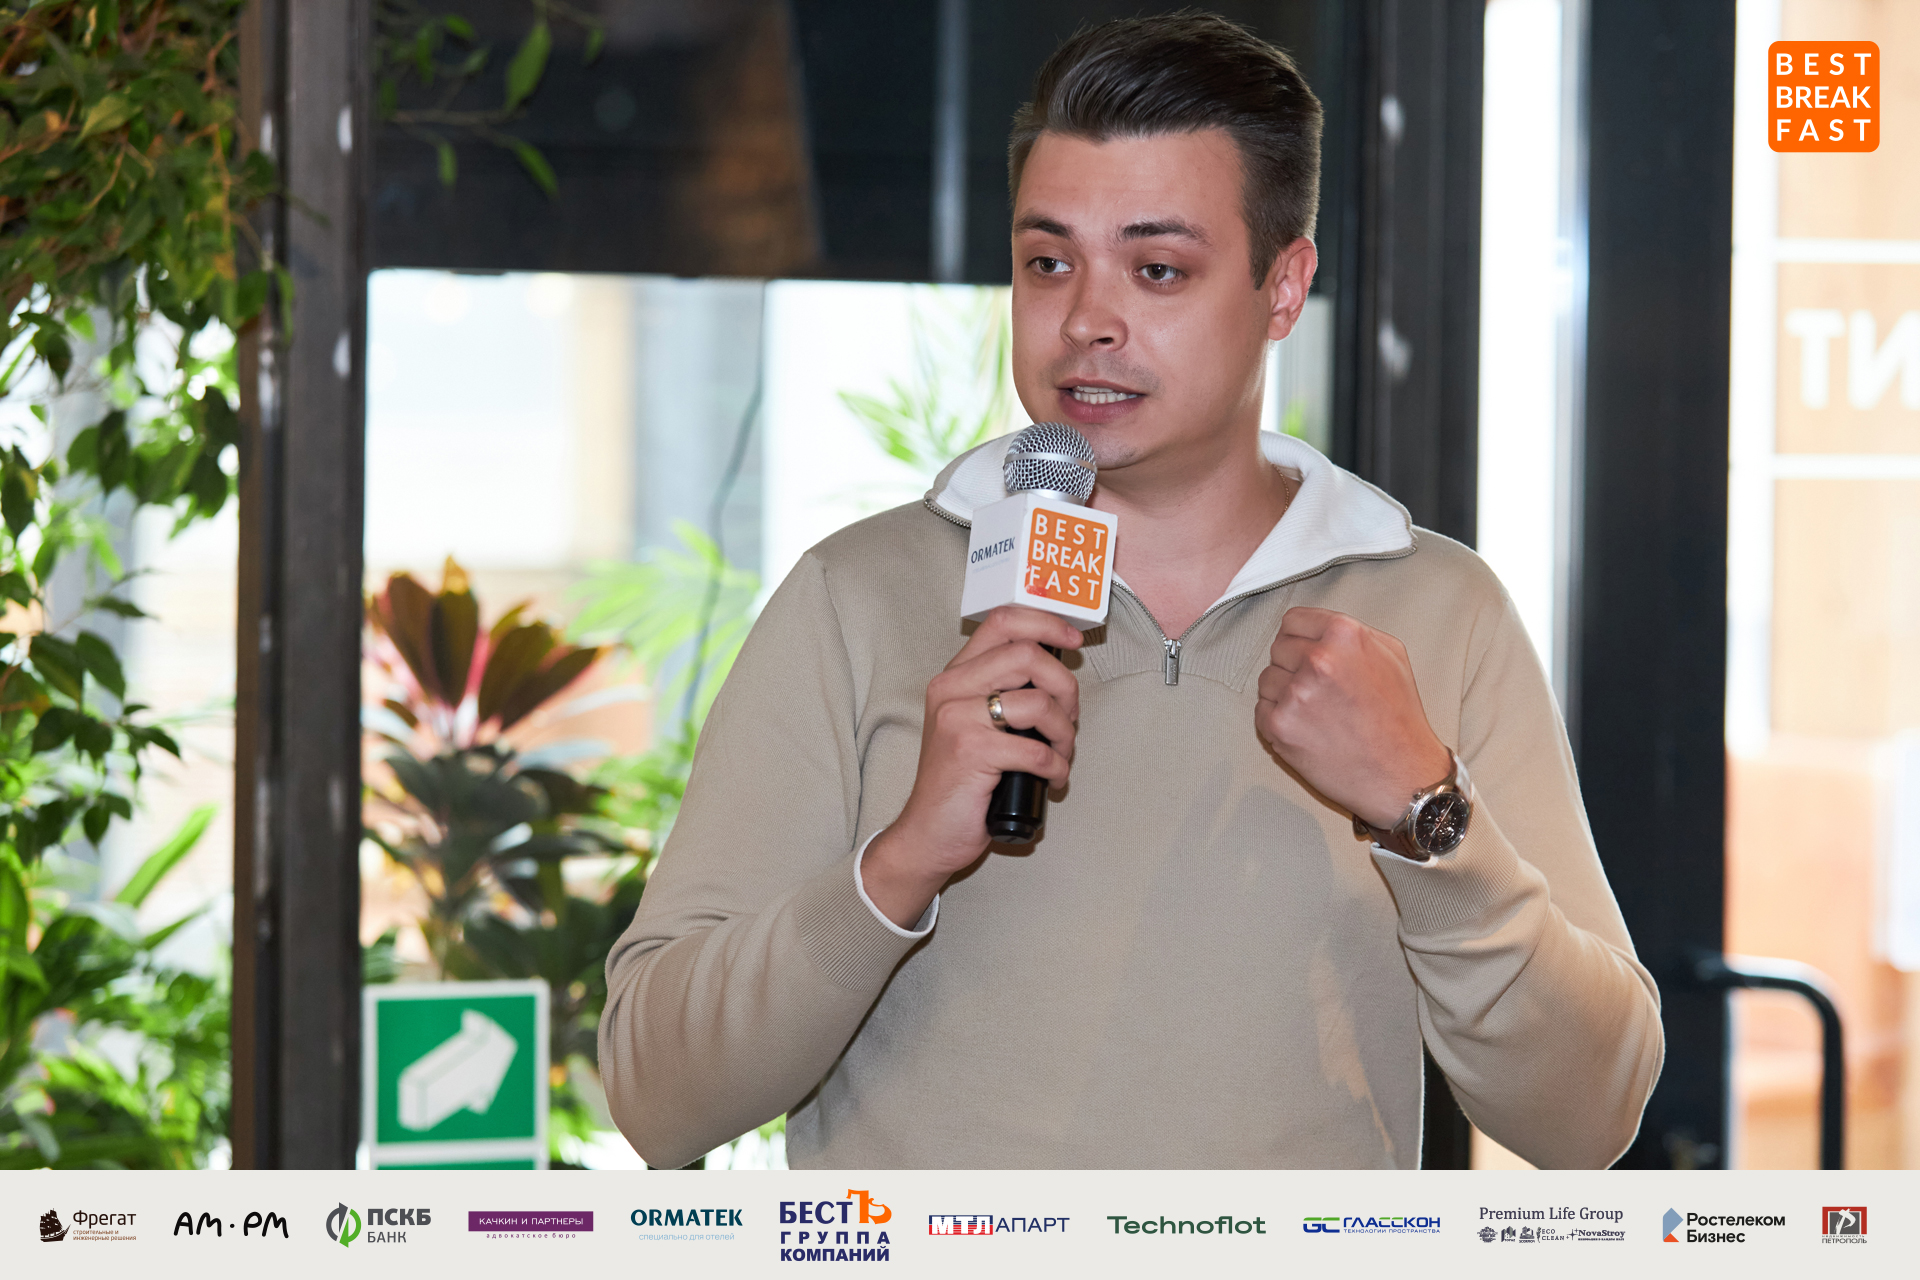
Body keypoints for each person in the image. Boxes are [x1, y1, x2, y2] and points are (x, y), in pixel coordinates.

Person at [600, 11, 1662, 1170]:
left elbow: (1586, 1120)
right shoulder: (855, 597)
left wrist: (1426, 814)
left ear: (1284, 286)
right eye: (1048, 262)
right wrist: (900, 859)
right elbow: (656, 1097)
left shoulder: (1440, 611)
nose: (1085, 322)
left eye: (1157, 270)